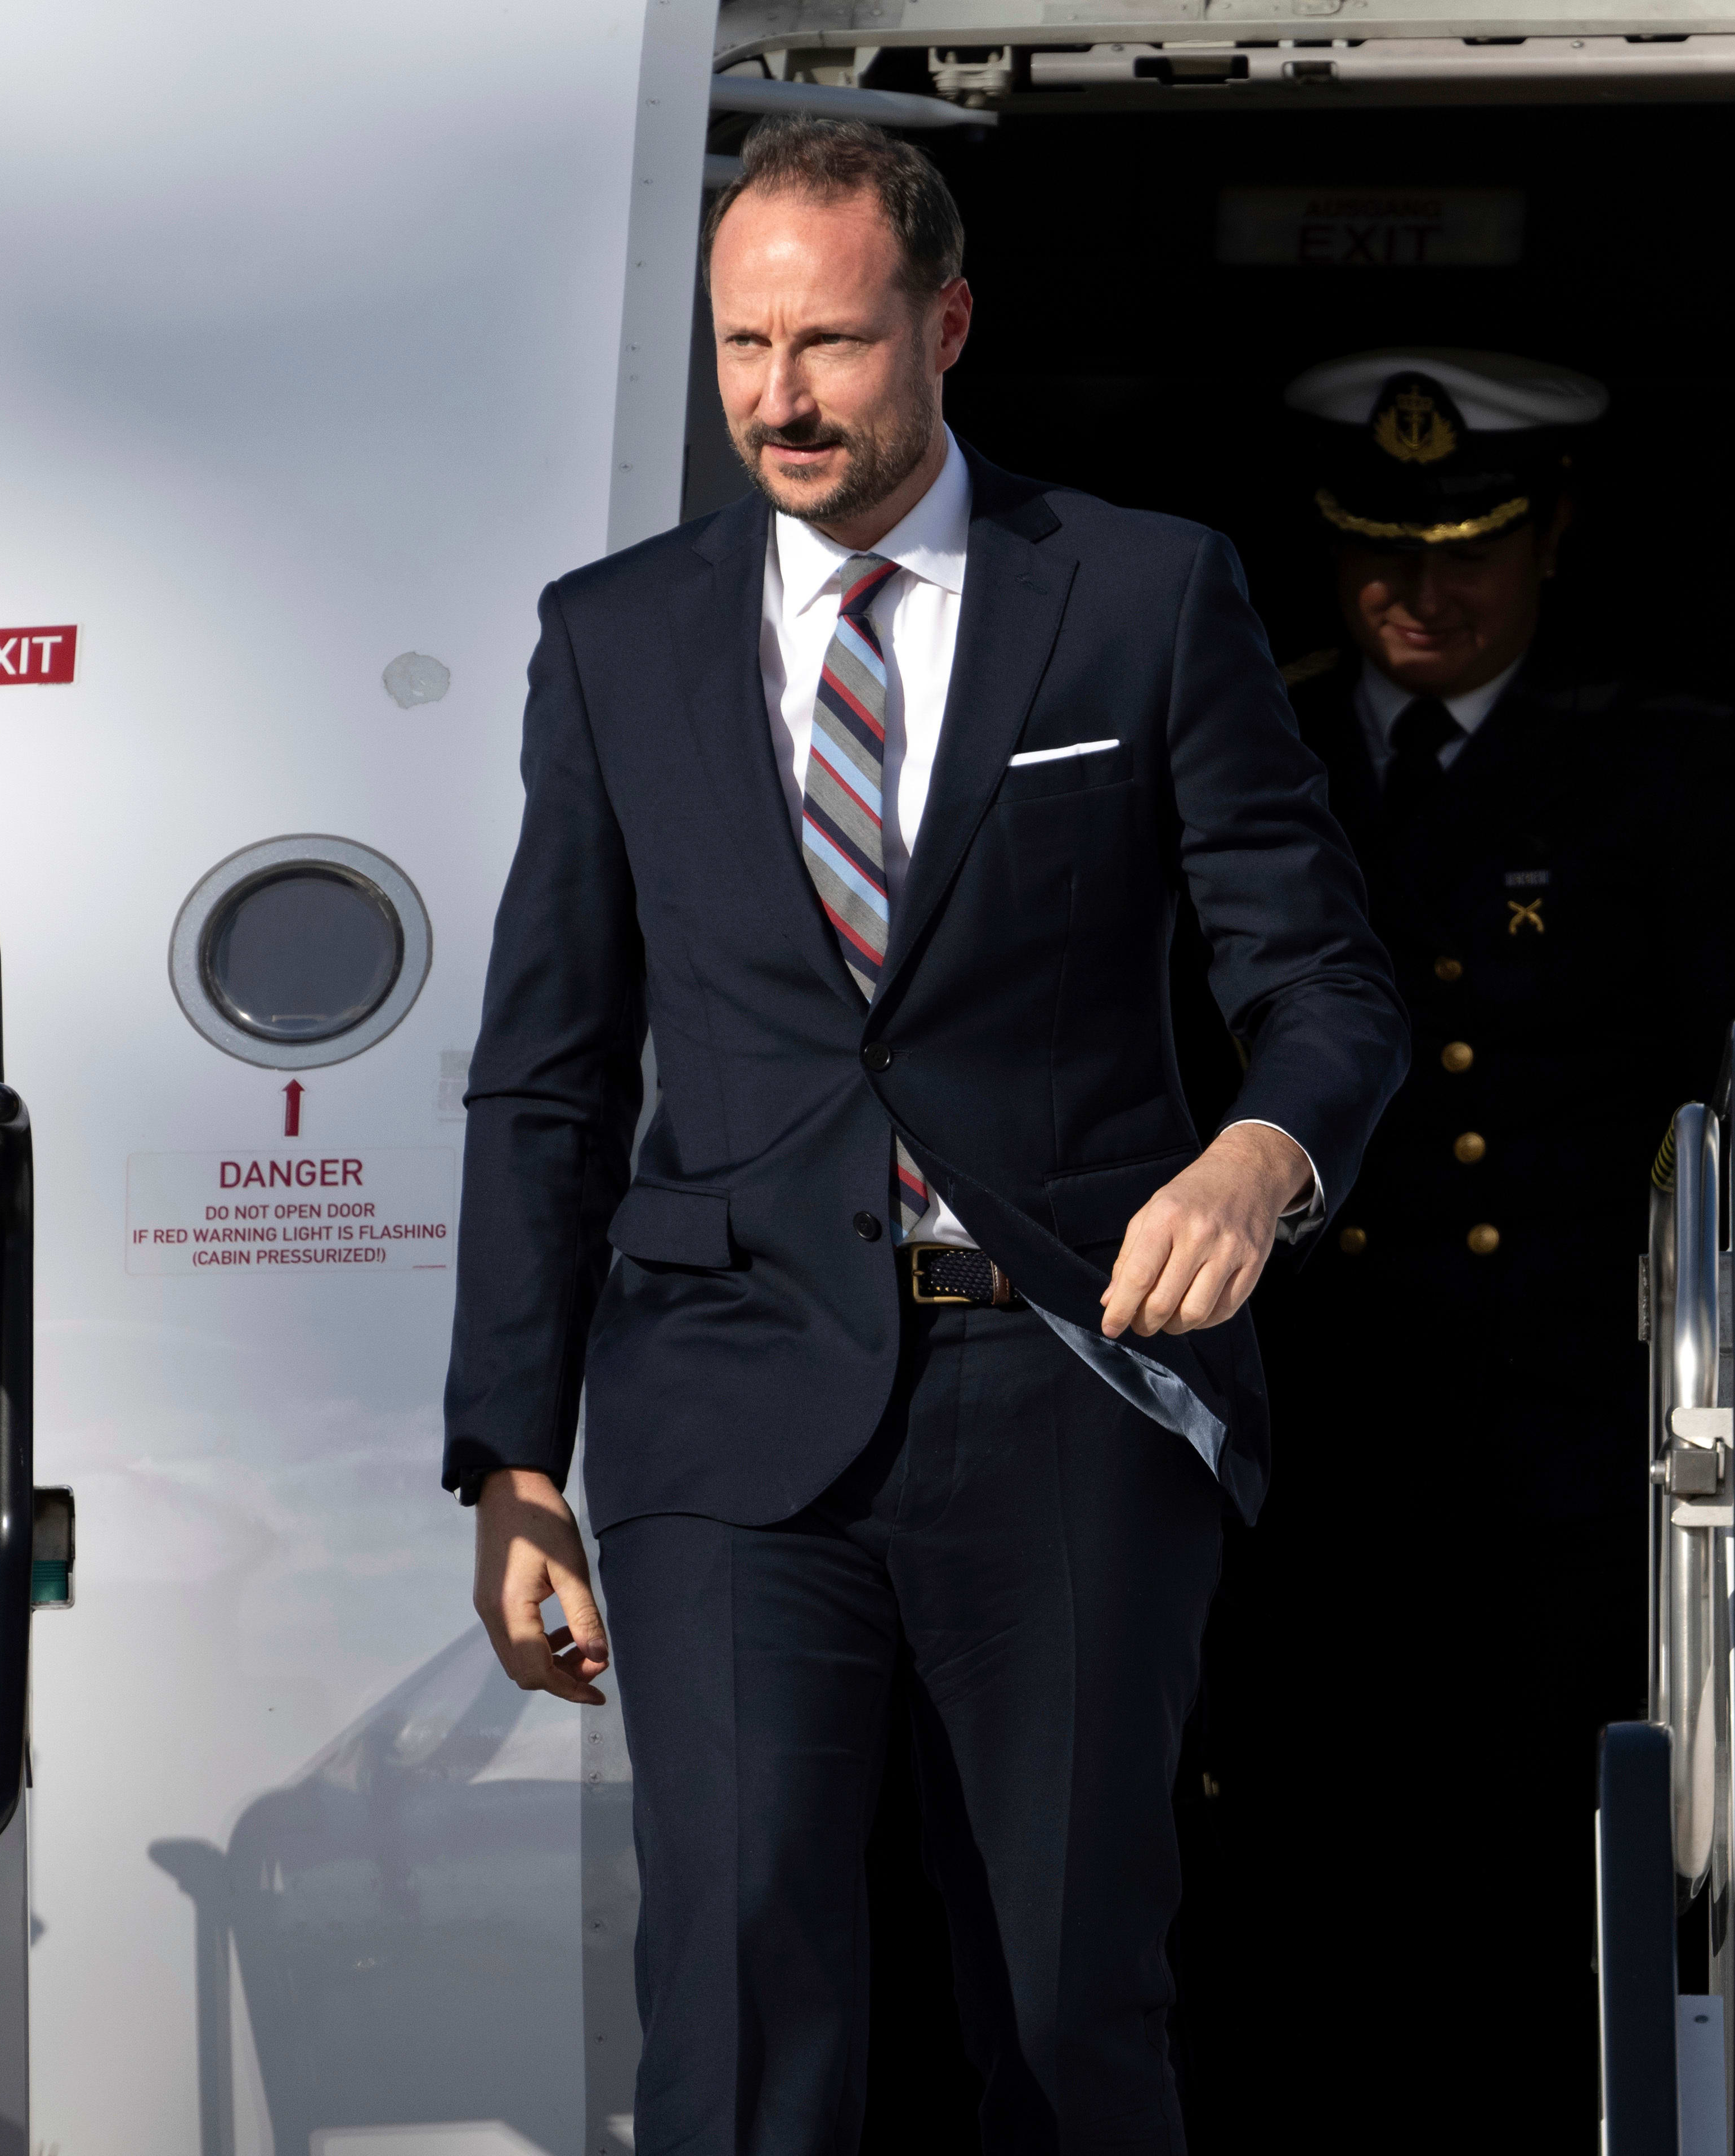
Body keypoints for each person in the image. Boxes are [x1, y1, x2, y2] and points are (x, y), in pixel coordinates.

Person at [441, 117, 1406, 2156]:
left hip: (1058, 1381)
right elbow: (548, 1070)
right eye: (742, 346)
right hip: (725, 1389)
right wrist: (514, 1459)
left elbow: (1324, 980)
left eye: (831, 343)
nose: (778, 399)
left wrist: (1256, 1160)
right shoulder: (614, 637)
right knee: (737, 1985)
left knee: (1063, 2007)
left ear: (947, 326)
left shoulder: (1140, 594)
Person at [1168, 350, 1735, 2149]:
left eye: (1464, 550)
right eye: (1374, 551)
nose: (1414, 593)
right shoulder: (1243, 741)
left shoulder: (1659, 763)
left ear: (1551, 535)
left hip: (1555, 1424)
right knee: (1296, 1846)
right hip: (1306, 1408)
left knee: (1528, 1864)